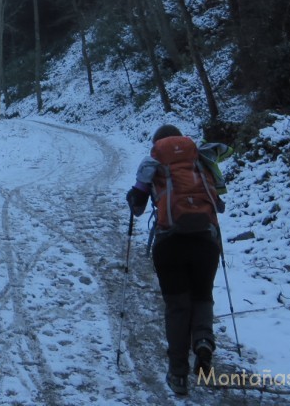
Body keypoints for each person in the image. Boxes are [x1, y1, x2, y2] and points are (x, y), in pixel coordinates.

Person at [125, 124, 232, 395]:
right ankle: (204, 341)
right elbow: (219, 204)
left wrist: (139, 191)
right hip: (206, 242)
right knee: (202, 296)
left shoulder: (153, 165)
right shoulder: (201, 161)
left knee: (177, 306)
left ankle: (178, 375)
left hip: (169, 242)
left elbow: (136, 207)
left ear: (157, 144)